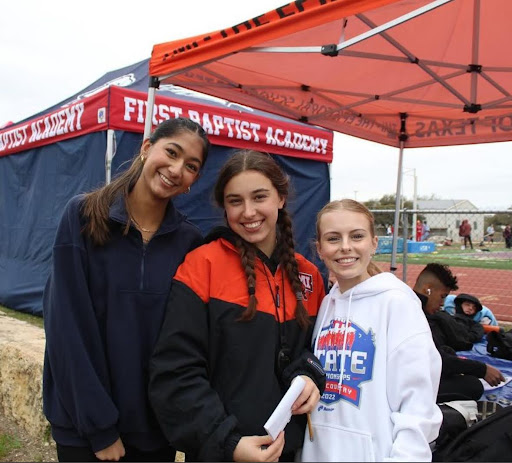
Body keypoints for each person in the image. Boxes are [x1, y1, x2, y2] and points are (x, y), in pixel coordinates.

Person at [42, 118, 211, 462]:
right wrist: (100, 428)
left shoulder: (190, 242)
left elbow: (185, 341)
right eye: (172, 152)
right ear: (147, 147)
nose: (176, 169)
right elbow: (66, 327)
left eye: (191, 166)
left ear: (194, 181)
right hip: (85, 429)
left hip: (154, 433)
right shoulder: (84, 216)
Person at [148, 150, 326, 462]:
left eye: (259, 197)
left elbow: (317, 353)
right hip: (221, 453)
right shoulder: (201, 266)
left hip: (293, 451)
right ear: (224, 206)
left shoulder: (309, 276)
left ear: (281, 197)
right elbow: (175, 373)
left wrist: (311, 375)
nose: (248, 212)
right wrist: (228, 442)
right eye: (235, 201)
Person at [300, 199, 442, 462]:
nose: (345, 246)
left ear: (374, 243)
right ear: (319, 249)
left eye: (357, 236)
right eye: (333, 238)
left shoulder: (397, 303)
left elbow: (418, 404)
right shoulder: (327, 304)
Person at [413, 263, 504, 402]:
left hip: (414, 372)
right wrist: (482, 369)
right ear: (427, 289)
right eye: (442, 296)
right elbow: (436, 360)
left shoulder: (417, 308)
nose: (442, 303)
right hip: (407, 383)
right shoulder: (414, 314)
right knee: (472, 386)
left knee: (449, 353)